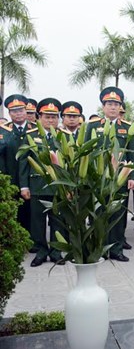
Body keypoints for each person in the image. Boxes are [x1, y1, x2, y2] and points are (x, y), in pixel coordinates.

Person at [85, 87, 134, 262]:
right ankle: (99, 247)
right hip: (99, 178)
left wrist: (132, 177)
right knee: (98, 213)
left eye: (116, 104)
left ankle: (116, 248)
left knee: (118, 215)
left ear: (120, 107)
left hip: (120, 178)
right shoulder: (92, 126)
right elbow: (86, 152)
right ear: (103, 107)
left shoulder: (128, 128)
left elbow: (133, 154)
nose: (113, 107)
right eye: (109, 104)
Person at [19, 98, 67, 267]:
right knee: (37, 222)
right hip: (37, 186)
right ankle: (41, 251)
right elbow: (24, 162)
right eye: (47, 116)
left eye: (54, 117)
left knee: (57, 222)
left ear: (58, 118)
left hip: (58, 188)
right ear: (39, 117)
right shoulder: (30, 136)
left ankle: (55, 252)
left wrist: (68, 188)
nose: (51, 120)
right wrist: (24, 186)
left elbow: (69, 164)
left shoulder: (64, 136)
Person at [1, 95, 37, 238]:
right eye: (14, 111)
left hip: (31, 178)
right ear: (9, 114)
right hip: (10, 177)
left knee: (31, 211)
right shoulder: (4, 131)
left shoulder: (35, 129)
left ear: (26, 111)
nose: (18, 114)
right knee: (13, 210)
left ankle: (31, 239)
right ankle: (14, 239)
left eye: (21, 110)